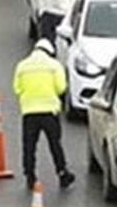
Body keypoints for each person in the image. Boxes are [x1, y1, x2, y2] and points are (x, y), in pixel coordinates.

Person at [12, 39, 75, 192]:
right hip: (49, 112)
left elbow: (17, 89)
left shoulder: (22, 66)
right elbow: (61, 88)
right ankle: (62, 173)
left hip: (29, 112)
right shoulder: (54, 66)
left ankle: (30, 175)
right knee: (55, 144)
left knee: (29, 146)